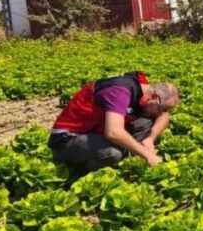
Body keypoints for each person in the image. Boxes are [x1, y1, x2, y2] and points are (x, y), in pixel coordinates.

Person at [48, 71, 179, 173]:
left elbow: (164, 116)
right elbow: (113, 133)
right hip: (68, 138)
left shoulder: (144, 88)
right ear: (154, 97)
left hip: (97, 130)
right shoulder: (119, 92)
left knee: (146, 123)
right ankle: (80, 173)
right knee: (112, 153)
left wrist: (150, 138)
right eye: (162, 108)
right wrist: (148, 156)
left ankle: (129, 152)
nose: (161, 112)